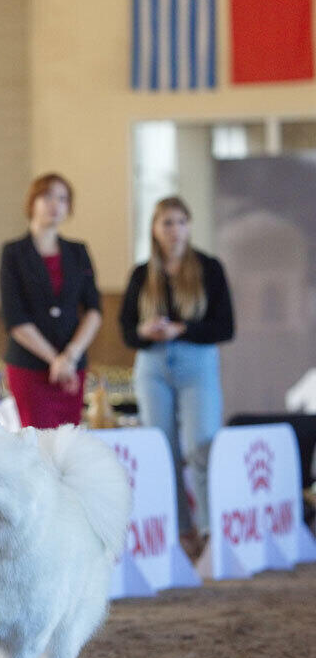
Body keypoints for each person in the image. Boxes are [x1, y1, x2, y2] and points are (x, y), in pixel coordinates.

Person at [119, 195, 234, 554]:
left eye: (180, 221)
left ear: (189, 226)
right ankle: (180, 532)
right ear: (154, 229)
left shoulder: (208, 268)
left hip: (195, 361)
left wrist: (181, 329)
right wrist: (146, 331)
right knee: (161, 448)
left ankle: (210, 529)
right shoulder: (142, 274)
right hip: (153, 364)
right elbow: (125, 330)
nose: (174, 230)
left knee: (201, 444)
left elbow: (225, 326)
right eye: (166, 222)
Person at [0, 173, 102, 428]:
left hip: (72, 366)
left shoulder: (78, 251)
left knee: (68, 444)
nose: (55, 204)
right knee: (38, 443)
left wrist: (70, 356)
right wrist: (55, 360)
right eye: (47, 196)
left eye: (62, 198)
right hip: (30, 365)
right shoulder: (14, 253)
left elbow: (93, 309)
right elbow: (15, 317)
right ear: (32, 202)